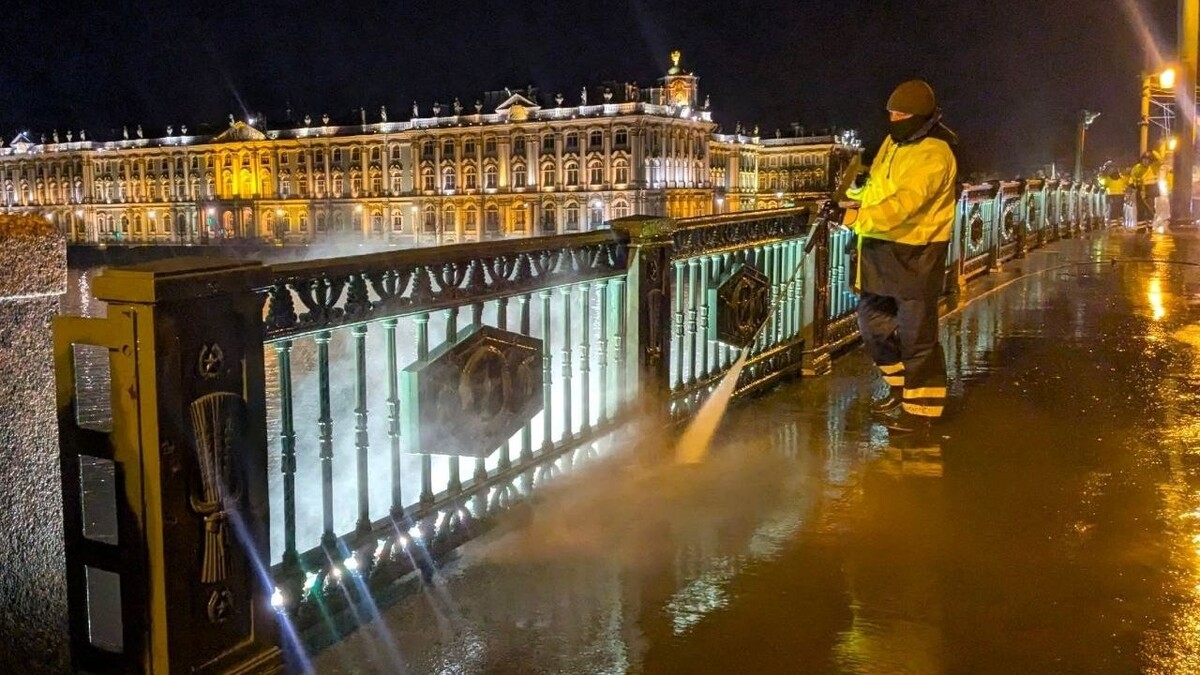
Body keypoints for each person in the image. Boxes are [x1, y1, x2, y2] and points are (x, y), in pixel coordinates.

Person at [842, 80, 958, 436]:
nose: (893, 118)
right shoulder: (893, 143)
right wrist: (852, 196)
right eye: (890, 112)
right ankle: (901, 390)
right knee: (872, 324)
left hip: (917, 252)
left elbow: (903, 207)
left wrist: (854, 219)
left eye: (901, 113)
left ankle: (922, 412)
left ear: (920, 117)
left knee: (916, 335)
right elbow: (878, 188)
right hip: (880, 247)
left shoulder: (935, 154)